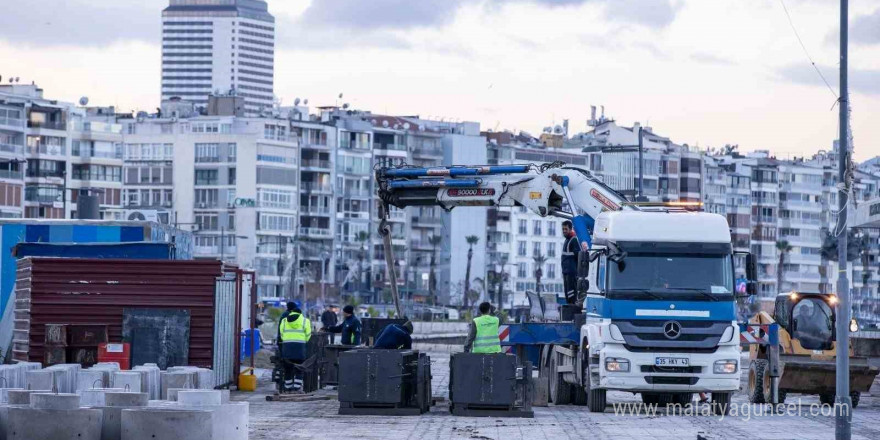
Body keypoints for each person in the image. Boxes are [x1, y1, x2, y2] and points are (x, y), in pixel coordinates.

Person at [277, 302, 311, 392]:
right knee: (299, 368)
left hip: (287, 347)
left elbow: (281, 333)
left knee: (288, 368)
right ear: (300, 313)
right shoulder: (305, 321)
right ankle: (297, 388)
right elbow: (308, 335)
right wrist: (303, 340)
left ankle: (287, 388)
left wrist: (286, 340)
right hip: (300, 347)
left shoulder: (284, 320)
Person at [561, 220, 580, 305]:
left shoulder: (574, 240)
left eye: (566, 229)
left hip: (571, 273)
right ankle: (569, 305)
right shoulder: (566, 240)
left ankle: (572, 306)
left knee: (571, 292)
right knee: (567, 292)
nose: (564, 231)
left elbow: (578, 256)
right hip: (566, 272)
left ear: (570, 229)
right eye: (563, 229)